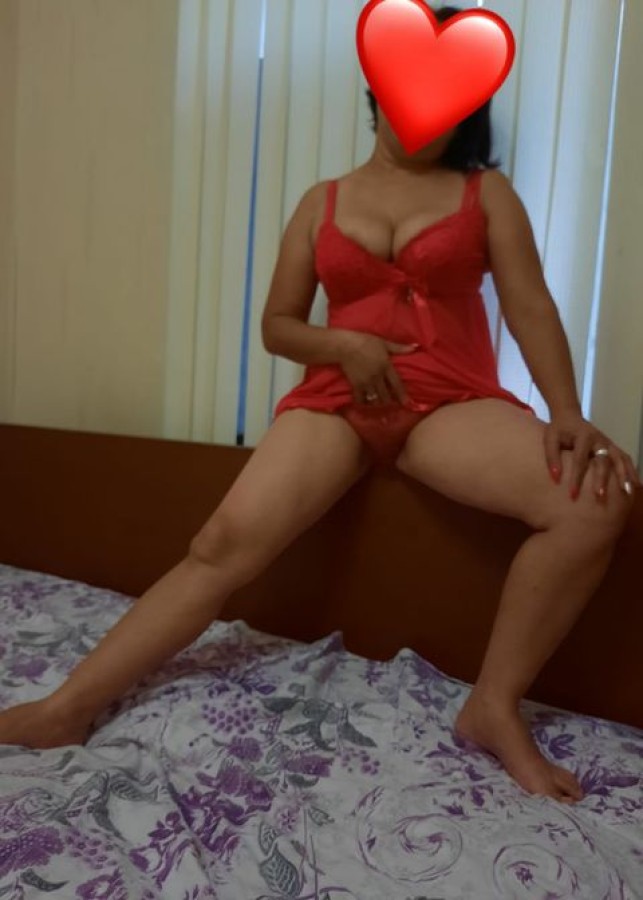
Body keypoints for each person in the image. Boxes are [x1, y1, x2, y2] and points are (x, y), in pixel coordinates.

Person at [0, 4, 638, 805]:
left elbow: (529, 306)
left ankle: (491, 704)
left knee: (593, 504)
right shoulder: (321, 201)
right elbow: (278, 325)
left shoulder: (486, 194)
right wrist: (345, 344)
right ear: (376, 92)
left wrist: (565, 410)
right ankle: (65, 709)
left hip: (447, 400)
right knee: (218, 546)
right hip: (334, 400)